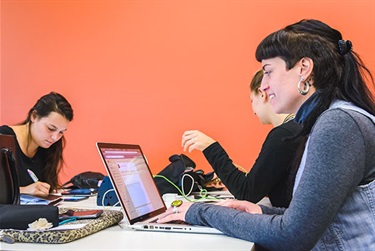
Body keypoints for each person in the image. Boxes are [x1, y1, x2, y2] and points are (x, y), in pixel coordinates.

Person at [158, 19, 375, 250]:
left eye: (268, 72)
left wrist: (200, 212)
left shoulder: (337, 124)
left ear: (303, 69)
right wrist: (260, 211)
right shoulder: (336, 118)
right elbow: (310, 220)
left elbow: (293, 236)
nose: (264, 86)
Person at [181, 69, 302, 207]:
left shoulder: (283, 135)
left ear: (262, 94)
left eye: (252, 100)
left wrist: (210, 147)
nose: (253, 111)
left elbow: (246, 193)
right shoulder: (297, 128)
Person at [0, 92, 74, 197]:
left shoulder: (50, 146)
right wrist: (22, 190)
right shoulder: (3, 138)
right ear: (34, 116)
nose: (55, 137)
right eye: (50, 129)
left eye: (61, 132)